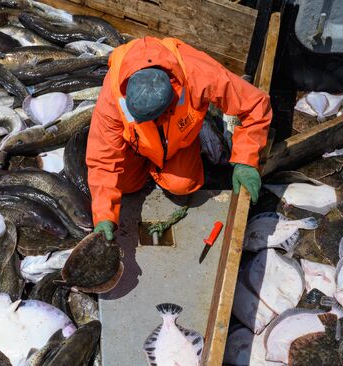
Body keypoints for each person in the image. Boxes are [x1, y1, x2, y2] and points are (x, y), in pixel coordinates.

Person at [86, 37, 272, 241]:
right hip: (137, 145)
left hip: (179, 141)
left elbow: (254, 104)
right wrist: (103, 216)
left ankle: (176, 160)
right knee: (123, 187)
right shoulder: (111, 98)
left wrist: (246, 160)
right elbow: (102, 161)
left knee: (183, 185)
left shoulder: (199, 73)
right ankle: (147, 168)